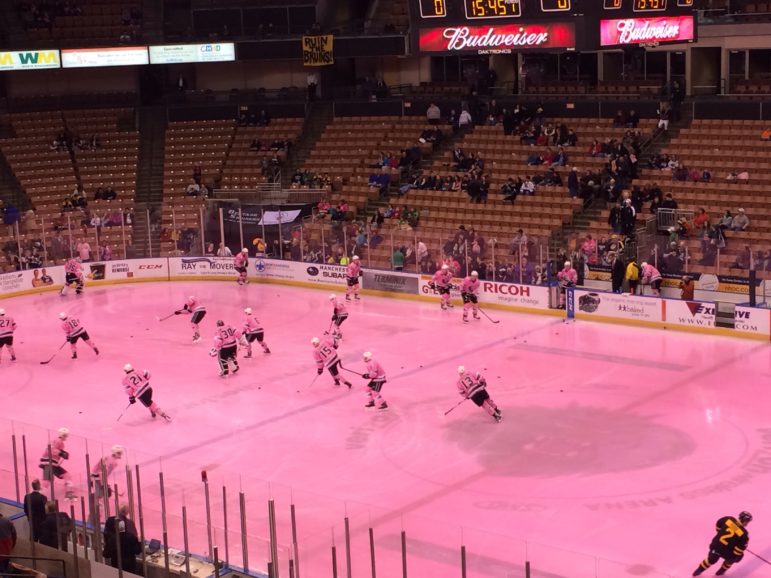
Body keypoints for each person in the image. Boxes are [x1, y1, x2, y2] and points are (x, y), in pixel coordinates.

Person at [692, 511, 752, 576]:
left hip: (715, 546)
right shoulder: (744, 534)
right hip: (727, 552)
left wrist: (720, 533)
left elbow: (718, 525)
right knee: (736, 557)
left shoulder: (728, 519)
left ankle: (698, 571)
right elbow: (738, 551)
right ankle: (721, 571)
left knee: (711, 560)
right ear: (746, 521)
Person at [38, 428, 75, 500]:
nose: (66, 437)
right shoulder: (59, 441)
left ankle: (38, 493)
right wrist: (61, 453)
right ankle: (69, 494)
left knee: (47, 480)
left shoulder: (56, 441)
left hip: (48, 463)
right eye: (66, 435)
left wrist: (61, 454)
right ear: (63, 435)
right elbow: (51, 450)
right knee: (67, 475)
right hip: (50, 463)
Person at [103, 505, 141, 574]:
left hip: (116, 566)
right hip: (130, 567)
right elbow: (138, 550)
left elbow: (106, 554)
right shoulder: (131, 536)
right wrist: (139, 542)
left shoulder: (113, 539)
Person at [0, 511, 17, 576]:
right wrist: (12, 546)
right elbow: (14, 536)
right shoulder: (8, 521)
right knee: (5, 569)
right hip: (7, 551)